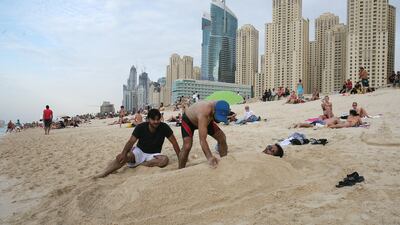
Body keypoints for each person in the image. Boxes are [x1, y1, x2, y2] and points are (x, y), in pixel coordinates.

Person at [94, 109, 181, 178]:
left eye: (158, 119)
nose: (156, 122)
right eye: (153, 119)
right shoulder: (141, 127)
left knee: (164, 160)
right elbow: (131, 142)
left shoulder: (164, 127)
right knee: (124, 157)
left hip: (153, 155)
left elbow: (174, 142)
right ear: (148, 119)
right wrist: (123, 153)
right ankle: (104, 173)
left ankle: (141, 164)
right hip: (140, 151)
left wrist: (180, 158)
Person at [179, 100, 229, 168]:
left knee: (222, 137)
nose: (219, 121)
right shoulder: (205, 111)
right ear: (214, 111)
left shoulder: (220, 106)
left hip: (206, 120)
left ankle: (225, 160)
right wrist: (210, 157)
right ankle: (181, 169)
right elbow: (202, 140)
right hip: (189, 121)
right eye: (218, 117)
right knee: (187, 146)